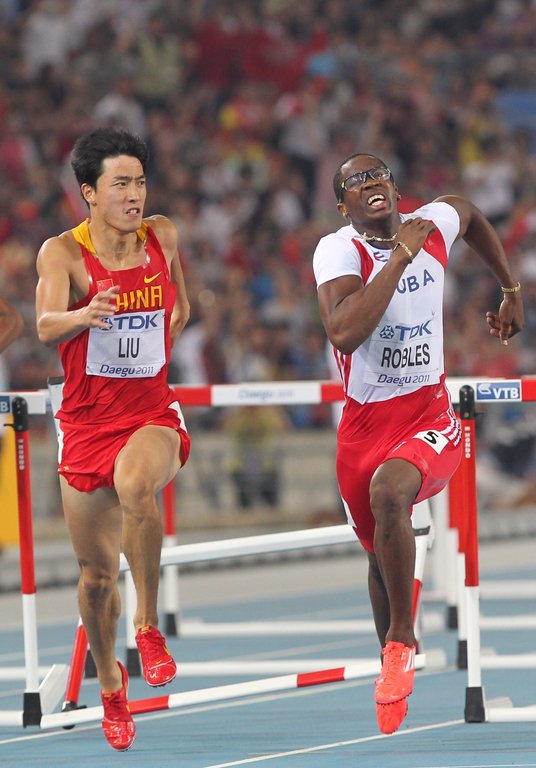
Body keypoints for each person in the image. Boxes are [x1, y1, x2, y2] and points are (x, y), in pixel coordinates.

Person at [312, 153, 524, 735]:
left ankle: (403, 639)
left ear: (395, 185)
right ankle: (392, 654)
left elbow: (470, 215)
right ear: (343, 206)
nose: (370, 183)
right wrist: (400, 256)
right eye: (355, 182)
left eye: (377, 174)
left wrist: (510, 288)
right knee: (378, 557)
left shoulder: (432, 222)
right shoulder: (338, 251)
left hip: (429, 412)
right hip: (363, 423)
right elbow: (344, 332)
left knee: (390, 492)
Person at [35, 127, 191, 751]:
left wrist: (165, 326)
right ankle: (109, 687)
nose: (134, 195)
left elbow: (179, 305)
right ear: (89, 193)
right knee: (96, 579)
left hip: (151, 415)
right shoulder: (62, 254)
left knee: (135, 483)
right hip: (84, 427)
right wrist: (85, 314)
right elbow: (45, 324)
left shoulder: (163, 235)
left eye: (140, 182)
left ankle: (148, 627)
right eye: (120, 184)